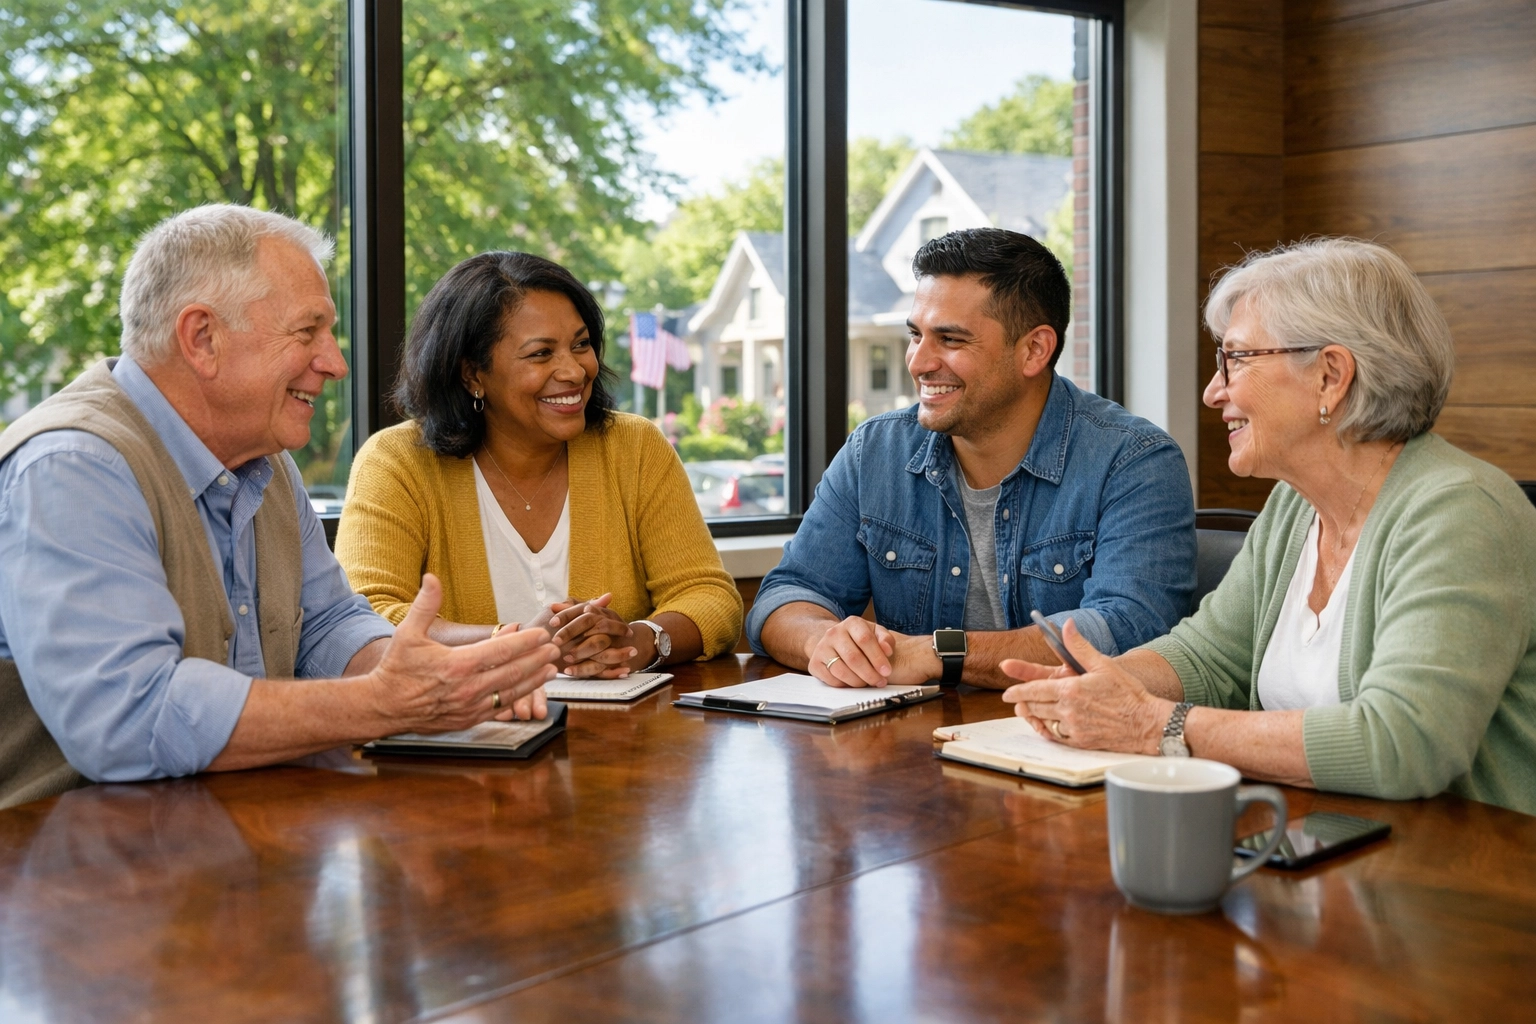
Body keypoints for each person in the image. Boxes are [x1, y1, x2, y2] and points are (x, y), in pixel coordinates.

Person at [0, 205, 563, 810]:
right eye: (307, 332)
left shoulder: (267, 463)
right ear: (202, 339)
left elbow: (325, 624)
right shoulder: (74, 465)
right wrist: (387, 701)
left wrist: (433, 670)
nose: (336, 363)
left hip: (227, 843)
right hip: (66, 869)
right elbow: (129, 719)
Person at [1001, 238, 1536, 815]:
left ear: (1331, 375)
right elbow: (1209, 657)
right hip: (1321, 851)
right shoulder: (1294, 507)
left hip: (1460, 879)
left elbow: (1405, 743)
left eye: (1236, 359)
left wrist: (1153, 724)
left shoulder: (1461, 511)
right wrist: (1094, 687)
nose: (1213, 392)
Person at [749, 228, 1196, 688]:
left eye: (951, 339)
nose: (919, 362)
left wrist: (941, 653)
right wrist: (822, 639)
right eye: (915, 335)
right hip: (910, 743)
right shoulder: (874, 452)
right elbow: (785, 596)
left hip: (1067, 743)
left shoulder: (1135, 461)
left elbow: (1132, 627)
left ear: (1034, 350)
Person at [334, 251, 742, 679]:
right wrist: (512, 644)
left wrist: (638, 641)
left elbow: (709, 595)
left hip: (624, 734)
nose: (574, 371)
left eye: (581, 345)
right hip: (464, 735)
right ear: (472, 374)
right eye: (541, 354)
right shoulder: (396, 461)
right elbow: (366, 615)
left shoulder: (635, 447)